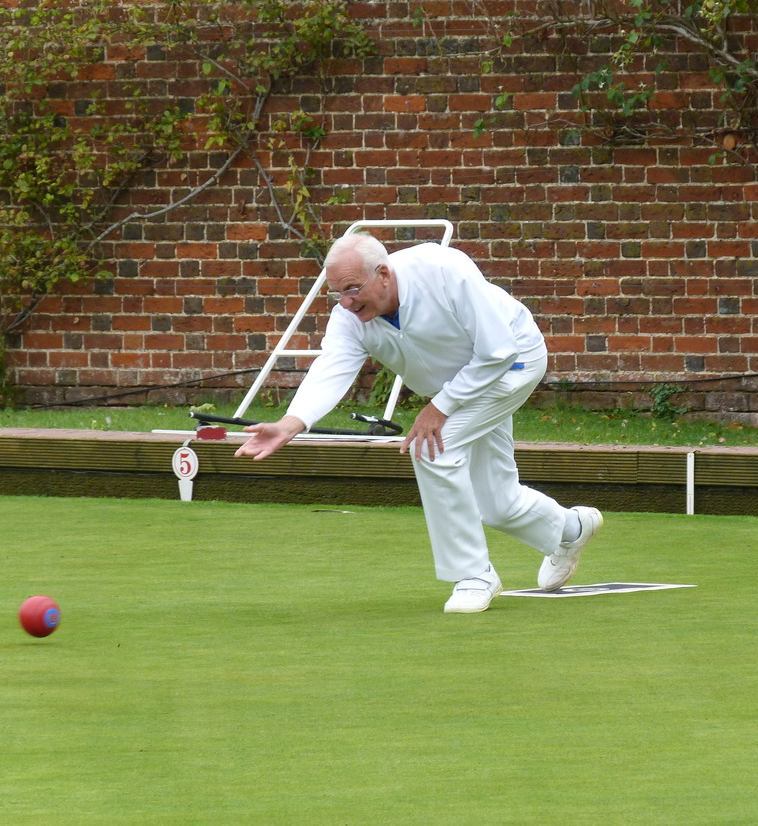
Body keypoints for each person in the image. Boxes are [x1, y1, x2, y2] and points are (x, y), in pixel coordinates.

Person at [235, 231, 603, 612]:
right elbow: (332, 366)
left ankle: (474, 575)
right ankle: (572, 529)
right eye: (336, 293)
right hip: (462, 384)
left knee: (432, 450)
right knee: (498, 504)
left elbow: (498, 351)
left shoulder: (443, 269)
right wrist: (290, 424)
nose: (345, 302)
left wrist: (440, 407)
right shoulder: (351, 316)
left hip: (514, 363)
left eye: (351, 289)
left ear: (384, 274)